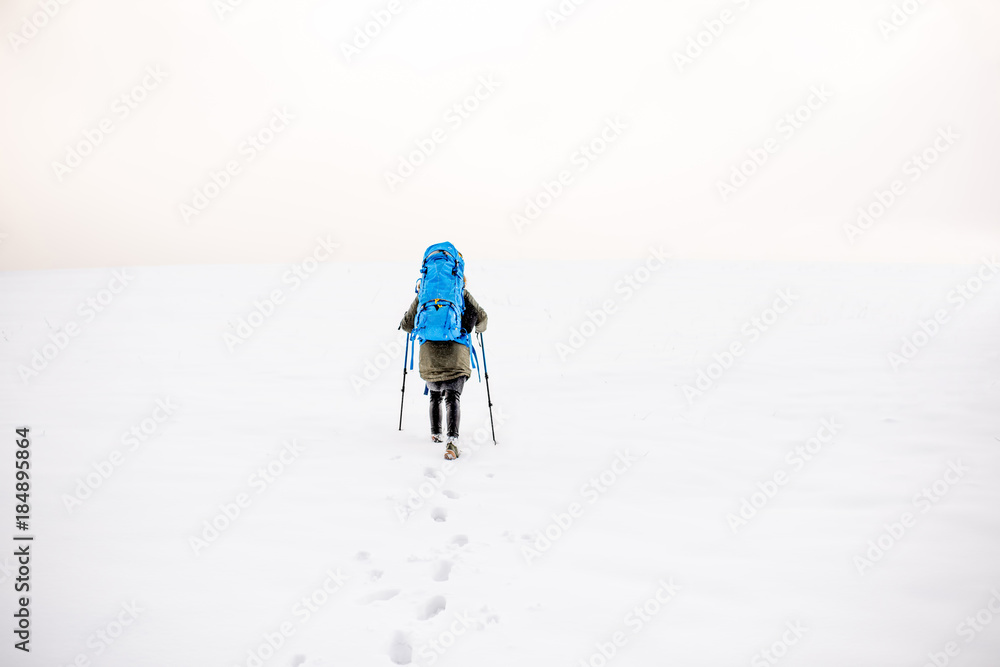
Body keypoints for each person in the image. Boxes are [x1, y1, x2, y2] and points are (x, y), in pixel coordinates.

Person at [399, 286, 487, 460]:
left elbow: (407, 325)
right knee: (452, 396)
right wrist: (476, 328)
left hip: (430, 358)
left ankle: (436, 433)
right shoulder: (459, 292)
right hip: (456, 356)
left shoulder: (425, 292)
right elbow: (482, 317)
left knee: (435, 394)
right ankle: (452, 443)